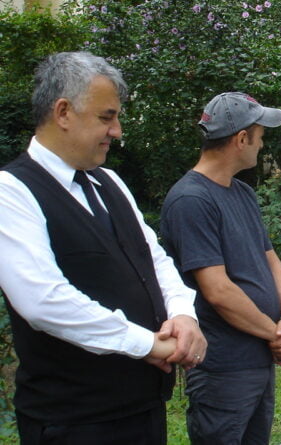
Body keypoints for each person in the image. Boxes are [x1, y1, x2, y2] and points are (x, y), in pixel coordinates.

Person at [0, 51, 206, 444]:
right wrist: (146, 344)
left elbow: (154, 259)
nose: (117, 130)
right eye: (106, 117)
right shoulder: (11, 191)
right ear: (63, 112)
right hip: (74, 422)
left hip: (142, 411)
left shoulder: (109, 182)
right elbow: (43, 300)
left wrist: (183, 314)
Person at [160, 92, 281, 444]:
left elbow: (269, 258)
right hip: (223, 368)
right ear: (241, 139)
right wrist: (276, 334)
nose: (262, 144)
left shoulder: (242, 193)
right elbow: (218, 291)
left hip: (258, 359)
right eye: (260, 135)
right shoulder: (191, 200)